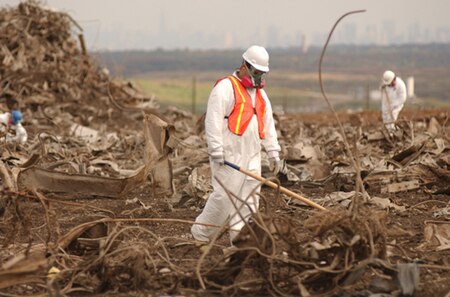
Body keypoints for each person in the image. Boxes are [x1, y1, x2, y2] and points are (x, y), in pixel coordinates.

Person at [191, 45, 281, 244]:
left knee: (249, 201)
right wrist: (215, 149)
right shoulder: (225, 87)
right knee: (224, 197)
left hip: (253, 155)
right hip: (229, 155)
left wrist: (273, 151)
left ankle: (239, 241)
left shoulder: (261, 95)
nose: (258, 77)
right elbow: (213, 120)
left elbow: (267, 123)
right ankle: (201, 234)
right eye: (256, 72)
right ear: (245, 66)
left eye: (262, 73)